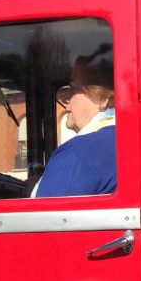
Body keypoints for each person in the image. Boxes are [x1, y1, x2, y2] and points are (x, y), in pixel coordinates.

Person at [33, 56, 115, 198]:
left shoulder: (77, 154)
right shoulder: (127, 139)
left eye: (73, 89)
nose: (65, 99)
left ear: (102, 98)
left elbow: (46, 217)